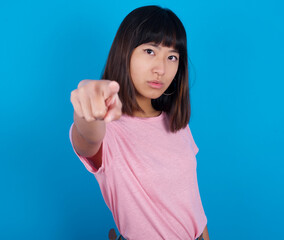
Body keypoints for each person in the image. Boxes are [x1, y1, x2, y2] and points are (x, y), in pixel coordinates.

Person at [69, 5, 209, 240]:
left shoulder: (177, 123)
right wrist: (88, 107)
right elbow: (87, 136)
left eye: (172, 56)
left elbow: (192, 201)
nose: (161, 69)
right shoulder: (108, 131)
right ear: (125, 52)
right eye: (150, 51)